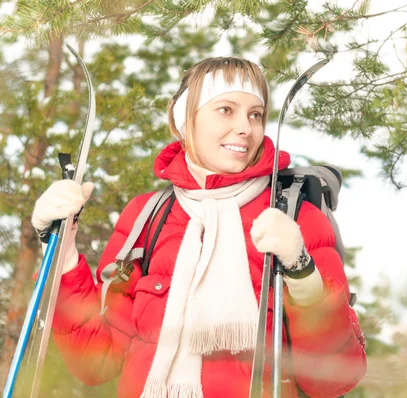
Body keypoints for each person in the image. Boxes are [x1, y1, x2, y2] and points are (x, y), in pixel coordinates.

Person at [31, 56, 367, 398]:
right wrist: (62, 250)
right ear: (184, 119)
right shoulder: (147, 215)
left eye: (255, 114)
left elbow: (331, 380)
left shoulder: (292, 217)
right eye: (226, 109)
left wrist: (303, 274)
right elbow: (96, 362)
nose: (245, 128)